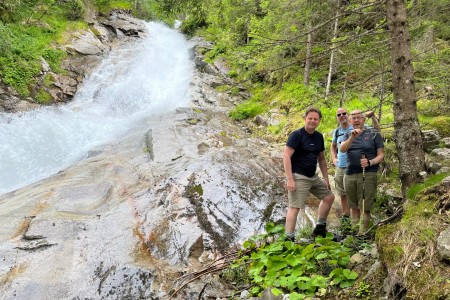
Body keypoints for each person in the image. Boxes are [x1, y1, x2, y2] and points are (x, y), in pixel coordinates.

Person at [283, 107, 335, 240]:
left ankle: (320, 228)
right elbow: (286, 156)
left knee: (329, 197)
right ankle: (289, 238)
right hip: (298, 176)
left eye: (315, 119)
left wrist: (326, 178)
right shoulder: (297, 135)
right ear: (305, 119)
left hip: (313, 176)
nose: (312, 121)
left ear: (319, 121)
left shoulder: (318, 137)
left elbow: (322, 159)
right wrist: (290, 179)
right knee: (295, 207)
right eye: (310, 118)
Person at [339, 109, 384, 234]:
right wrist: (352, 137)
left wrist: (370, 162)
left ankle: (362, 233)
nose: (357, 120)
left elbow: (381, 155)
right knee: (353, 206)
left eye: (359, 118)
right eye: (354, 118)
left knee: (365, 207)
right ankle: (355, 233)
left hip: (368, 173)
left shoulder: (372, 133)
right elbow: (342, 149)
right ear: (350, 120)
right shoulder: (348, 134)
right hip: (349, 174)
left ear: (363, 119)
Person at [330, 108, 353, 225]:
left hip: (354, 166)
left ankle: (356, 217)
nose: (342, 116)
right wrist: (334, 158)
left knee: (353, 192)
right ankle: (346, 215)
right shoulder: (336, 131)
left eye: (344, 113)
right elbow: (333, 146)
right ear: (337, 118)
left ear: (348, 115)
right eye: (339, 114)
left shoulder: (355, 127)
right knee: (342, 192)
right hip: (340, 166)